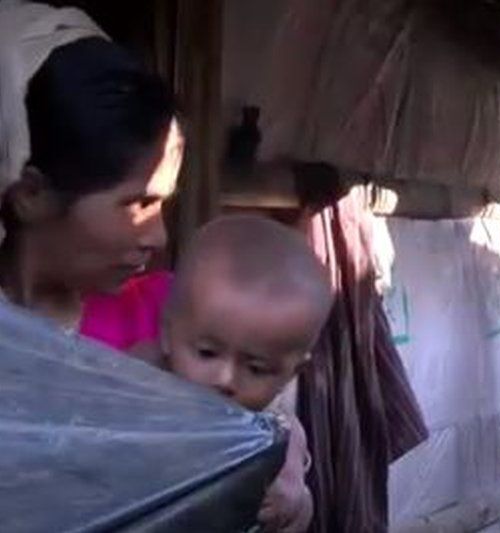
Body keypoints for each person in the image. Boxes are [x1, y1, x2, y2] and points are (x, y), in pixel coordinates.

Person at [0, 6, 310, 529]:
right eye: (137, 204)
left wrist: (292, 496)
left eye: (165, 205)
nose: (160, 236)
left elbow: (282, 483)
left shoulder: (185, 320)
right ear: (31, 194)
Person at [80, 215, 334, 532]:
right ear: (166, 333)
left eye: (255, 368)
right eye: (207, 353)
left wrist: (294, 503)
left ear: (291, 373)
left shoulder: (271, 428)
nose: (225, 379)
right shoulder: (133, 381)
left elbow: (288, 453)